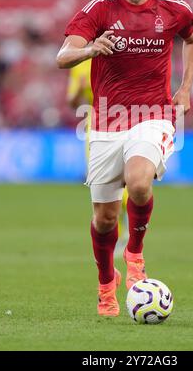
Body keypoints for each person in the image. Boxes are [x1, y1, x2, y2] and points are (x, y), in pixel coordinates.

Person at [57, 0, 193, 317]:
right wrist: (90, 48)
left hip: (153, 115)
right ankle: (107, 284)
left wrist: (185, 89)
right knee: (104, 219)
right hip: (107, 122)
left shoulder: (173, 9)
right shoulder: (99, 11)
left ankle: (134, 255)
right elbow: (62, 56)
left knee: (139, 182)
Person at [67, 60, 129, 257]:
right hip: (95, 128)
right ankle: (118, 236)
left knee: (130, 187)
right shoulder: (80, 62)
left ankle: (130, 234)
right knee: (104, 186)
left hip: (126, 122)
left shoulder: (121, 52)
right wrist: (81, 89)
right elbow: (72, 102)